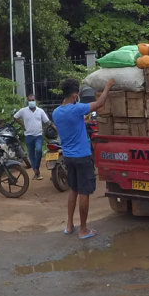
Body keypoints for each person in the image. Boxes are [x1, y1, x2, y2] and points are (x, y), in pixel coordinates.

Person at [52, 78, 114, 239]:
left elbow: (73, 123)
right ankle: (84, 229)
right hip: (82, 156)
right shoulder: (77, 108)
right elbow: (99, 103)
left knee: (73, 189)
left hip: (68, 157)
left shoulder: (56, 112)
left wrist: (83, 119)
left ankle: (69, 225)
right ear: (75, 95)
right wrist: (107, 87)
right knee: (84, 192)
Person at [14, 94, 50, 180]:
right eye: (30, 100)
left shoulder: (40, 111)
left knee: (38, 150)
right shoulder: (23, 111)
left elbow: (47, 121)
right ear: (28, 101)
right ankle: (36, 172)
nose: (31, 102)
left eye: (32, 100)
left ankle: (37, 168)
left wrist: (54, 127)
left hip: (38, 135)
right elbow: (15, 117)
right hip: (28, 136)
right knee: (31, 155)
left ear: (35, 101)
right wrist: (22, 125)